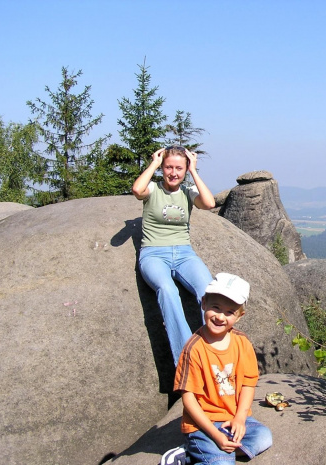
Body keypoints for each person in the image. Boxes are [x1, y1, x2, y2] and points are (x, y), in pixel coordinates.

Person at [169, 272, 273, 465]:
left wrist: (240, 418)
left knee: (264, 437)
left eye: (229, 312)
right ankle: (200, 454)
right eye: (215, 307)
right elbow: (189, 399)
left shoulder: (241, 342)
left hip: (232, 419)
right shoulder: (195, 348)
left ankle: (200, 455)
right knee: (222, 462)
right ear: (204, 303)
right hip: (202, 424)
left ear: (240, 315)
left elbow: (249, 383)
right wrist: (215, 435)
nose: (220, 317)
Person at [132, 145, 216, 366]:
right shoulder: (153, 189)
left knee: (209, 290)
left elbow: (209, 203)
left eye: (179, 168)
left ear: (186, 169)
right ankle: (188, 357)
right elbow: (137, 190)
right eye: (168, 167)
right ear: (162, 168)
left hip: (184, 254)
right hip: (153, 254)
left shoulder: (188, 192)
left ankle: (216, 349)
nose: (173, 173)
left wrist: (195, 172)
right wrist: (154, 163)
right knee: (167, 290)